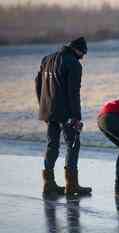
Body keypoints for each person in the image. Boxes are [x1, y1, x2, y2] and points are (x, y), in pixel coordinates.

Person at [35, 37, 92, 196]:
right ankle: (72, 185)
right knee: (73, 144)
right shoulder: (74, 64)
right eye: (83, 53)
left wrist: (43, 105)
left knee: (52, 145)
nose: (83, 56)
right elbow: (73, 92)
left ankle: (49, 184)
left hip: (48, 110)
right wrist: (76, 117)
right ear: (77, 50)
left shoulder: (47, 59)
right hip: (66, 113)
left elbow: (38, 83)